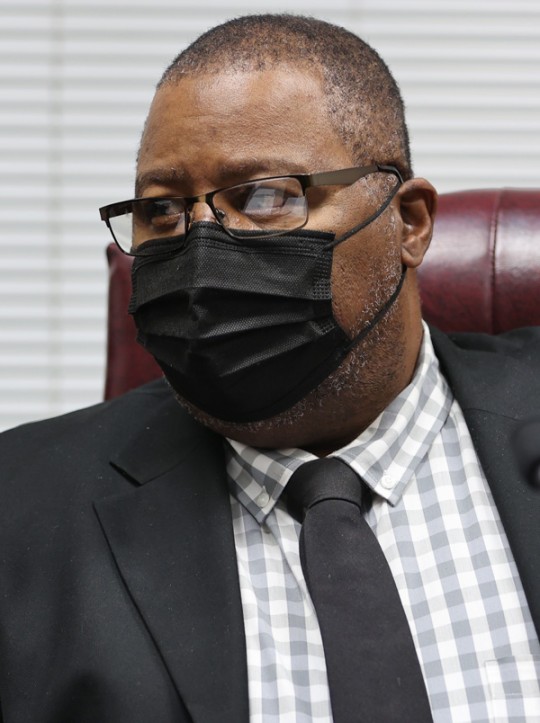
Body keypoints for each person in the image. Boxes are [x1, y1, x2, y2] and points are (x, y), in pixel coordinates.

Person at [0, 13, 539, 723]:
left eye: (264, 196)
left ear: (408, 222)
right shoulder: (18, 505)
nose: (200, 256)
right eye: (163, 211)